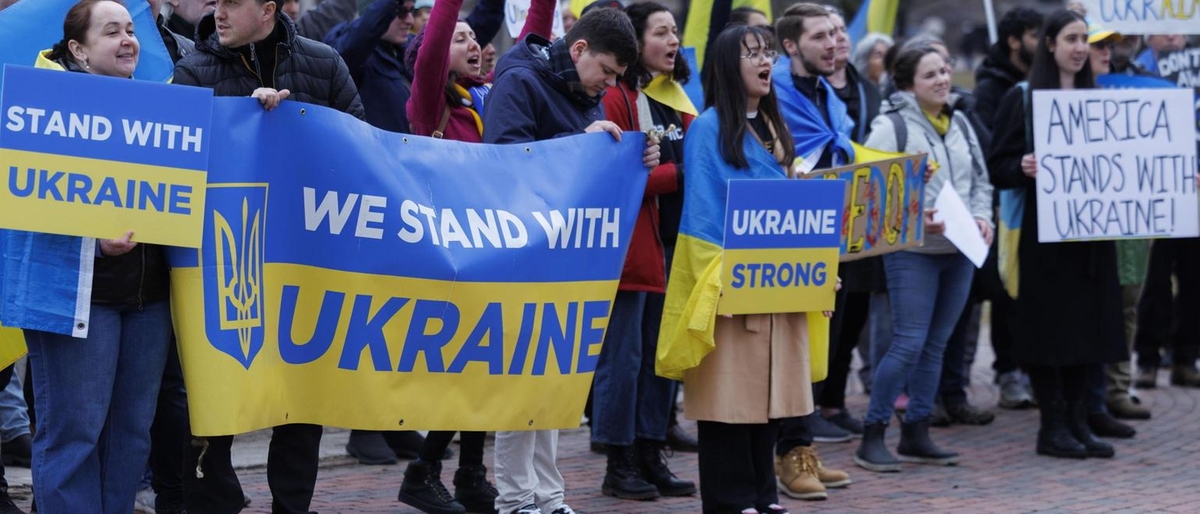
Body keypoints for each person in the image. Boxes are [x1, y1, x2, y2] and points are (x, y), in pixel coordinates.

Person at [172, 0, 363, 511]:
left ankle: (293, 505)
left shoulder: (324, 63)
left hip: (305, 262)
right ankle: (214, 490)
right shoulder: (192, 70)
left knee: (301, 397)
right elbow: (180, 159)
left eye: (233, 3)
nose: (219, 12)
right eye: (216, 2)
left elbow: (360, 151)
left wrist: (295, 124)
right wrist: (244, 125)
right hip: (228, 264)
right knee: (220, 388)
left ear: (268, 9)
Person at [482, 8, 654, 513]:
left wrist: (630, 161)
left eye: (617, 78)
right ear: (578, 50)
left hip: (560, 259)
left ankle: (548, 496)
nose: (609, 85)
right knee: (522, 381)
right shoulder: (519, 80)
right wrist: (583, 146)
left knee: (551, 379)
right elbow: (505, 158)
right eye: (607, 71)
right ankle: (516, 500)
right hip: (519, 255)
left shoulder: (577, 90)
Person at [392, 0, 554, 511]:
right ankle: (422, 473)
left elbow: (531, 45)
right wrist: (450, 10)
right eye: (462, 40)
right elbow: (433, 45)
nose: (475, 46)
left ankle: (469, 474)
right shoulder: (426, 105)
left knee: (488, 369)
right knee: (463, 374)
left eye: (475, 39)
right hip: (449, 256)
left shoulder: (488, 99)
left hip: (493, 252)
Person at [19, 3, 171, 512]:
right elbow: (25, 206)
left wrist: (259, 105)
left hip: (147, 298)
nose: (129, 39)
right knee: (75, 433)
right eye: (112, 32)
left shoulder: (160, 106)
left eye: (131, 30)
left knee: (131, 434)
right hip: (78, 296)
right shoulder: (39, 107)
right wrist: (92, 242)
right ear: (78, 50)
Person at [662, 22, 818, 514]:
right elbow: (704, 213)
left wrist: (815, 267)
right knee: (731, 399)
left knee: (771, 396)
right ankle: (730, 500)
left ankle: (762, 495)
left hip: (778, 284)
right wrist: (723, 276)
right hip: (730, 284)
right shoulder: (708, 128)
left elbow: (793, 212)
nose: (764, 60)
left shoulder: (774, 125)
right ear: (729, 66)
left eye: (768, 51)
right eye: (752, 53)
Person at [987, 8, 1124, 460]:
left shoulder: (1101, 100)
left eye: (1085, 39)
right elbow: (998, 168)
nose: (1081, 47)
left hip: (1093, 235)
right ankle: (1053, 426)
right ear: (1050, 44)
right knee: (1052, 332)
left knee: (1090, 329)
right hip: (1044, 239)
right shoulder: (1022, 98)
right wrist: (1022, 167)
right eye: (1071, 38)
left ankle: (1081, 422)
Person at [853, 43, 994, 472]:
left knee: (937, 344)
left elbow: (981, 184)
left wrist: (982, 218)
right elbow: (869, 194)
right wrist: (916, 219)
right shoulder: (890, 128)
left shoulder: (962, 123)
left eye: (946, 70)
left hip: (961, 250)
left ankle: (917, 432)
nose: (943, 79)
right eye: (931, 74)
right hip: (913, 251)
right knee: (909, 342)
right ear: (908, 84)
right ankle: (873, 434)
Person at [588, 1, 697, 502]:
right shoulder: (616, 97)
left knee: (657, 357)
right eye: (661, 32)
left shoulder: (670, 97)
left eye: (676, 31)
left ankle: (650, 452)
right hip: (628, 250)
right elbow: (618, 177)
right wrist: (681, 174)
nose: (673, 41)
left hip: (662, 245)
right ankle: (619, 458)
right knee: (624, 359)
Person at [769, 2, 855, 501]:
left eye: (836, 33)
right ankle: (787, 455)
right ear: (790, 46)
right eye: (820, 36)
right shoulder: (775, 90)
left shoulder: (827, 94)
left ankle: (801, 448)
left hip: (827, 236)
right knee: (791, 349)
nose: (834, 44)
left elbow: (842, 152)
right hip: (782, 239)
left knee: (817, 349)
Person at [813, 6, 881, 441]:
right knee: (825, 312)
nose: (838, 38)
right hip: (823, 217)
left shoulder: (868, 87)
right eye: (828, 32)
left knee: (855, 310)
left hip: (863, 219)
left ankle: (835, 402)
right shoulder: (806, 92)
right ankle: (810, 404)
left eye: (842, 31)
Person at [971, 6, 1043, 412]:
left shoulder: (1043, 82)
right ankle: (1008, 371)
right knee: (1005, 292)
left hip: (1038, 206)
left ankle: (1032, 367)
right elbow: (989, 147)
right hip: (1004, 205)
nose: (1041, 44)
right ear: (1015, 40)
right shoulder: (991, 90)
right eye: (1035, 36)